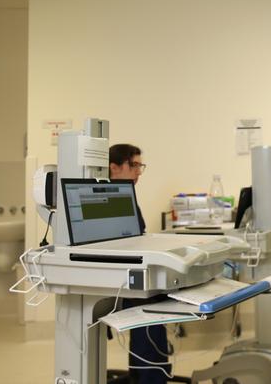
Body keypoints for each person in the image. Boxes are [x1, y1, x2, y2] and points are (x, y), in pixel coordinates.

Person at [109, 144, 172, 384]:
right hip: (116, 279)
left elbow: (137, 237)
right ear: (113, 168)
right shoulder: (109, 198)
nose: (138, 171)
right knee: (150, 307)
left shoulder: (126, 197)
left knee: (159, 295)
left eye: (139, 165)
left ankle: (149, 374)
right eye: (133, 165)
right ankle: (150, 378)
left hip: (130, 270)